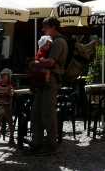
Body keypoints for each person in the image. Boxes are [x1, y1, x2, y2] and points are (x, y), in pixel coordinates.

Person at [24, 16, 68, 156]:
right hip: (43, 81)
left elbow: (50, 63)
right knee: (36, 113)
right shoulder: (51, 41)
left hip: (51, 81)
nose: (43, 29)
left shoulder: (59, 42)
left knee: (48, 114)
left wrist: (33, 64)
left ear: (53, 27)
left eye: (45, 27)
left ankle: (51, 145)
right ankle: (37, 143)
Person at [0, 69, 15, 145]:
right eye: (1, 74)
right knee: (1, 113)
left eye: (4, 75)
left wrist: (11, 106)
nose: (2, 76)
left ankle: (11, 136)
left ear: (8, 77)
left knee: (10, 120)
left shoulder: (10, 87)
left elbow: (11, 97)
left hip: (7, 104)